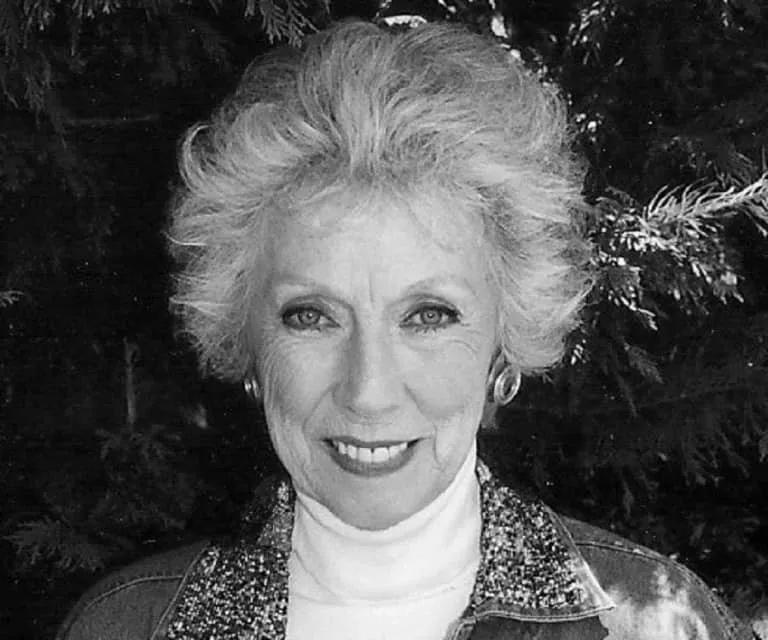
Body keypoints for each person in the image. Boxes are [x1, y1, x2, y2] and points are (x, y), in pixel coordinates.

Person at [57, 19, 754, 640]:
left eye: (428, 316)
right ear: (249, 347)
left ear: (505, 342)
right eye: (311, 317)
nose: (369, 392)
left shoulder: (657, 627)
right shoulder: (128, 627)